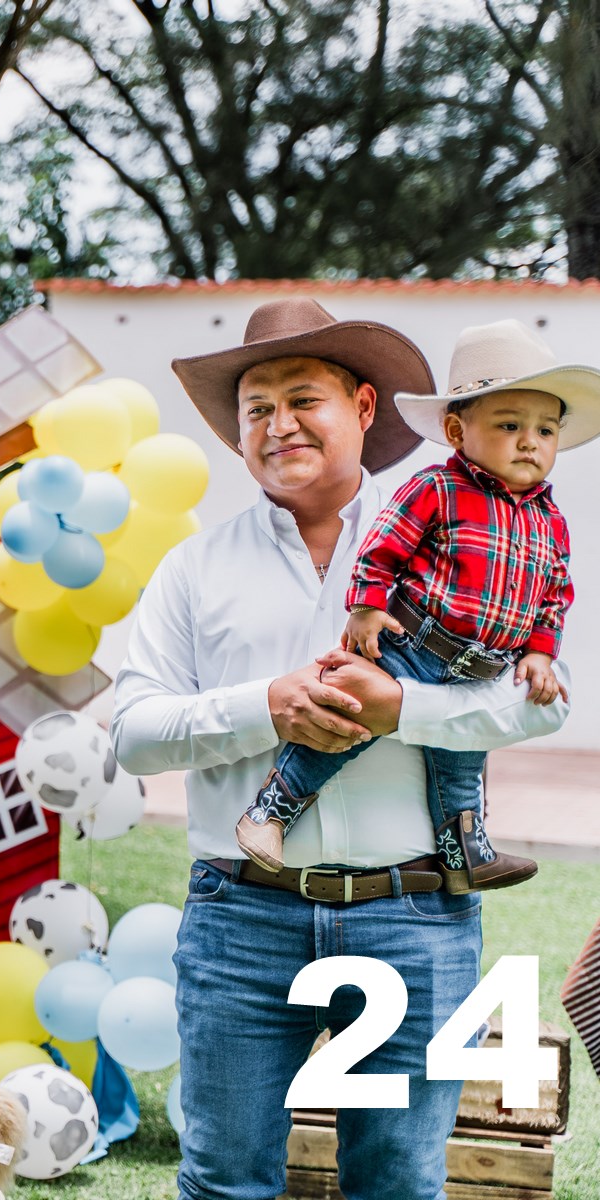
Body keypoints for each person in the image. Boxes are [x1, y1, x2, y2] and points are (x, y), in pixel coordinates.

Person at [112, 298, 569, 1200]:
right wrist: (265, 707)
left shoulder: (461, 527)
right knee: (224, 1181)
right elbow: (133, 734)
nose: (278, 424)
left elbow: (544, 709)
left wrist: (406, 708)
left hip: (416, 917)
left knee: (397, 1182)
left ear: (363, 408)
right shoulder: (194, 568)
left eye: (303, 400)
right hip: (242, 919)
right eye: (257, 408)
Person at [238, 319, 593, 889]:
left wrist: (540, 653)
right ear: (457, 430)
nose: (530, 442)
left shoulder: (550, 521)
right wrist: (365, 606)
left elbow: (554, 594)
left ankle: (464, 854)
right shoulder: (438, 488)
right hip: (415, 644)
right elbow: (384, 547)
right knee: (345, 725)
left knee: (463, 764)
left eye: (545, 430)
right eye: (510, 425)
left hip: (484, 669)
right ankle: (270, 814)